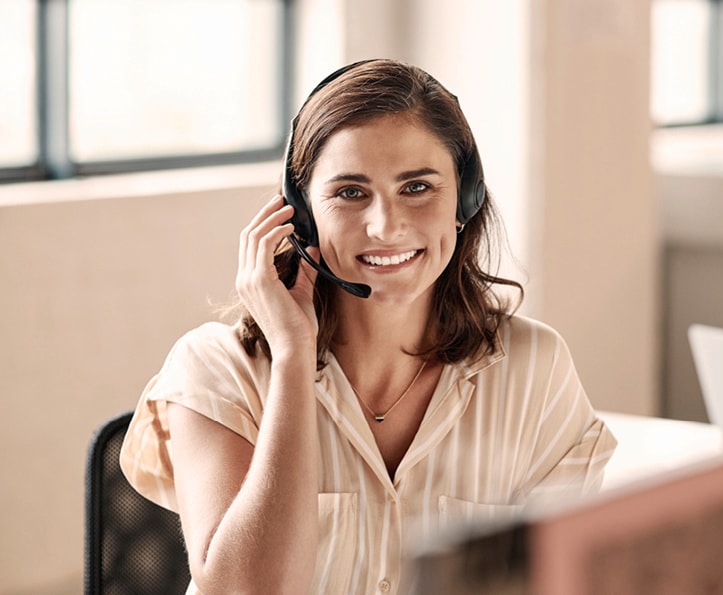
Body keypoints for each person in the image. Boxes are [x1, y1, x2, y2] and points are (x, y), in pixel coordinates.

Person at [120, 58, 616, 595]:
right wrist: (291, 357)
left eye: (418, 187)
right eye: (350, 192)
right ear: (302, 213)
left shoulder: (533, 370)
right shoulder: (217, 371)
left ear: (464, 201)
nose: (385, 226)